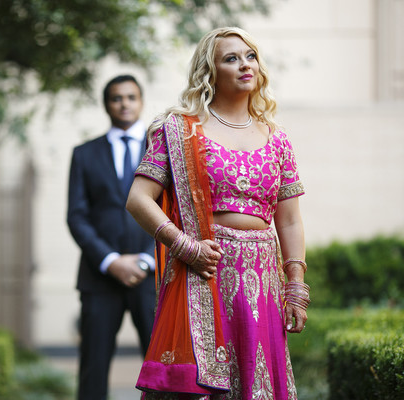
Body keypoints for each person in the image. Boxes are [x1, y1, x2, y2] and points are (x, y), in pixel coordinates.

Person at [126, 27, 309, 399]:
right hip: (205, 271)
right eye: (231, 58)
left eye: (250, 56)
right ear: (210, 72)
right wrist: (183, 246)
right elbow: (138, 199)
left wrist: (295, 285)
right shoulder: (179, 131)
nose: (245, 65)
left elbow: (288, 219)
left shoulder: (277, 138)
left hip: (262, 284)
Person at [67, 75, 157, 400]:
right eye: (117, 98)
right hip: (99, 277)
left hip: (153, 278)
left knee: (162, 365)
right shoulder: (84, 154)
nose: (124, 104)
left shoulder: (162, 150)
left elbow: (176, 214)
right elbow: (76, 216)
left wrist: (147, 259)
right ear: (107, 104)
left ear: (141, 101)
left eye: (131, 97)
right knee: (93, 366)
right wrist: (111, 261)